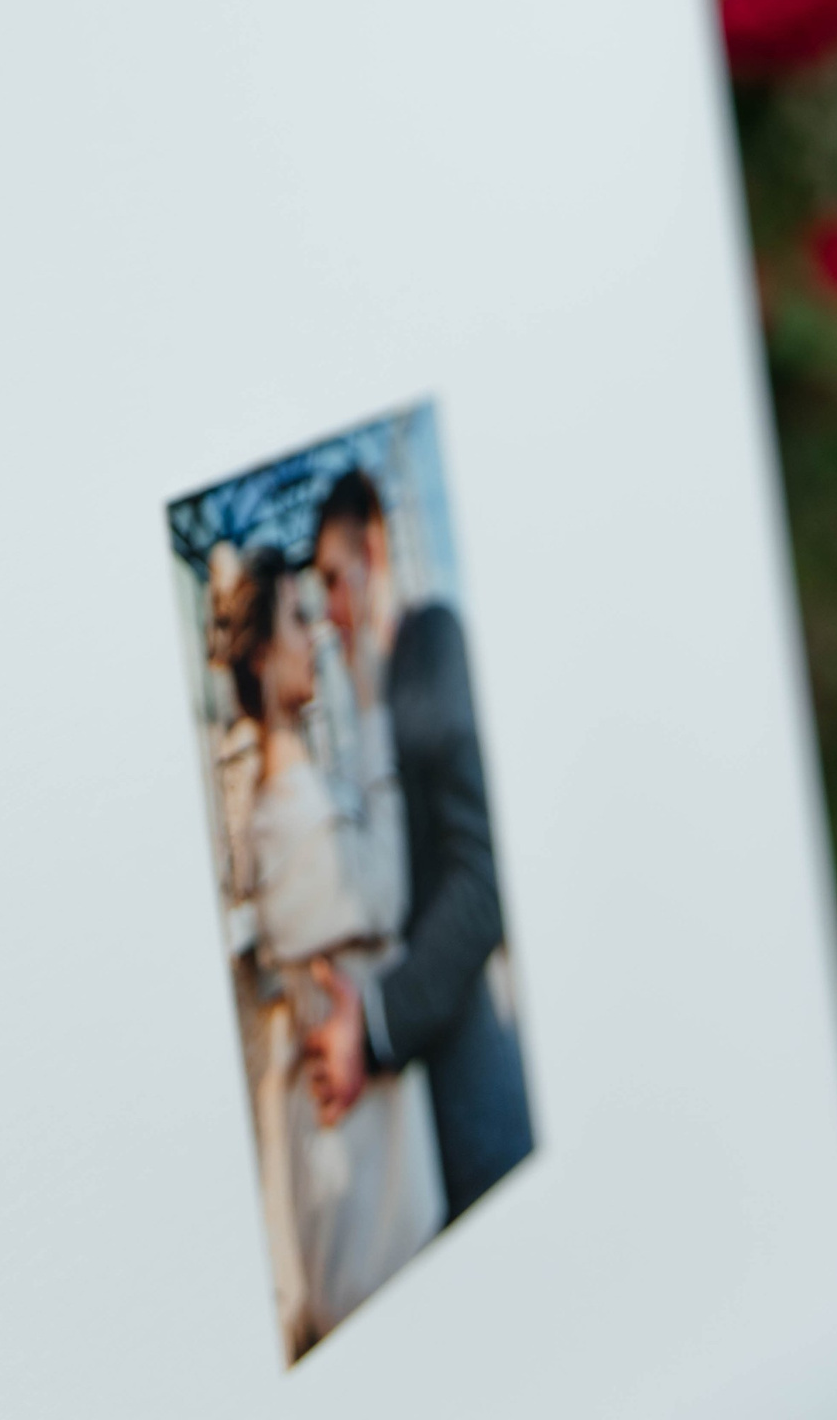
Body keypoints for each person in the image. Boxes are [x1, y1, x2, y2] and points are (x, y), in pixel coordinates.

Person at [213, 551, 443, 1354]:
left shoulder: (304, 797)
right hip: (359, 1208)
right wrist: (371, 701)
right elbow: (385, 891)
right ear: (258, 657)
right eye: (296, 619)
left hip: (379, 1173)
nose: (313, 633)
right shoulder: (283, 824)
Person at [304, 470, 534, 1222]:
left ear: (372, 551)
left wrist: (373, 1024)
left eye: (333, 580)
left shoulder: (431, 643)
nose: (328, 611)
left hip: (472, 1094)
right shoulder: (371, 691)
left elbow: (481, 880)